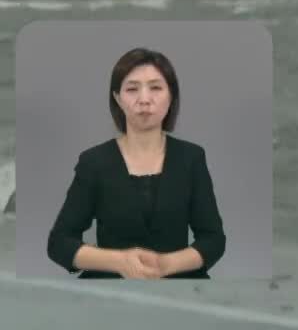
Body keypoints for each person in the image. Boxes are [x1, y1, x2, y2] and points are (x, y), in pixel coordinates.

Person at [46, 47, 226, 279]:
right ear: (118, 99)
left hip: (180, 285)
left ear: (171, 95)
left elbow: (213, 240)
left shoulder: (191, 158)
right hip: (111, 288)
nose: (144, 100)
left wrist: (165, 264)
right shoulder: (94, 162)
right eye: (132, 89)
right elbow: (59, 242)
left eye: (156, 88)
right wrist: (119, 261)